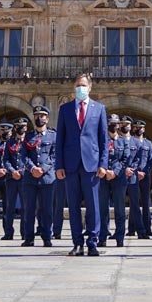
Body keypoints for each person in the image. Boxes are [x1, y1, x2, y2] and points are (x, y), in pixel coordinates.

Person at [55, 71, 108, 256]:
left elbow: (103, 140)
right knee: (74, 207)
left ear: (90, 87)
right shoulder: (65, 109)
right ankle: (77, 242)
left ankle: (93, 242)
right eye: (78, 85)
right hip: (70, 165)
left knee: (93, 205)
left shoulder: (99, 109)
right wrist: (58, 165)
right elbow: (59, 139)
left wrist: (103, 164)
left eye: (83, 85)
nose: (80, 88)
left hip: (91, 165)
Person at [21, 105, 56, 247]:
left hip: (47, 178)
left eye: (42, 116)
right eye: (36, 116)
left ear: (47, 119)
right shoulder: (28, 136)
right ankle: (29, 237)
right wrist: (32, 168)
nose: (39, 118)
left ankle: (47, 236)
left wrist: (43, 168)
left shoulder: (53, 136)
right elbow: (23, 155)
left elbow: (55, 155)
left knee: (47, 209)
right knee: (29, 209)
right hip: (30, 178)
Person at [98, 113, 130, 248]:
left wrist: (115, 172)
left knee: (119, 209)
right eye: (111, 123)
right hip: (103, 178)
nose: (113, 126)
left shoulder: (123, 141)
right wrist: (105, 170)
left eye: (115, 124)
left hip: (118, 178)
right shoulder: (102, 140)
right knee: (103, 209)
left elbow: (126, 158)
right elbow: (98, 155)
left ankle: (120, 237)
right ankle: (103, 237)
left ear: (119, 126)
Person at [3, 117, 28, 242]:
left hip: (24, 178)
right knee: (9, 206)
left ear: (26, 128)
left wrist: (22, 171)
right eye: (18, 126)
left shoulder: (29, 142)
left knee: (25, 206)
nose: (20, 128)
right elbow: (5, 159)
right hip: (11, 178)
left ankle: (25, 232)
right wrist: (12, 171)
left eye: (22, 126)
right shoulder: (9, 142)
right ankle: (8, 232)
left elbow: (29, 158)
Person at [131, 120, 152, 239]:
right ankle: (135, 229)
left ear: (144, 129)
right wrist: (136, 172)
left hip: (145, 176)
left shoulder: (148, 143)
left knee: (146, 203)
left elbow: (151, 160)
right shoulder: (130, 141)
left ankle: (147, 228)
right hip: (133, 175)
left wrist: (145, 172)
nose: (139, 129)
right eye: (136, 127)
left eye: (141, 127)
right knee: (134, 203)